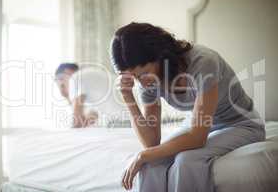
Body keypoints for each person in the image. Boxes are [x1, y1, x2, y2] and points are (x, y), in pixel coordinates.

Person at [110, 22, 265, 192]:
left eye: (144, 73)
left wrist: (142, 155)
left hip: (240, 124)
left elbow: (197, 138)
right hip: (201, 125)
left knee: (187, 160)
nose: (141, 82)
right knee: (150, 163)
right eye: (134, 77)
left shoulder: (203, 62)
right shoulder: (145, 80)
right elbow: (151, 141)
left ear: (159, 56)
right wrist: (127, 96)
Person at [55, 63, 98, 128]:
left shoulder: (89, 97)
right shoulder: (66, 105)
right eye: (59, 79)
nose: (61, 83)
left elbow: (78, 124)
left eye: (61, 79)